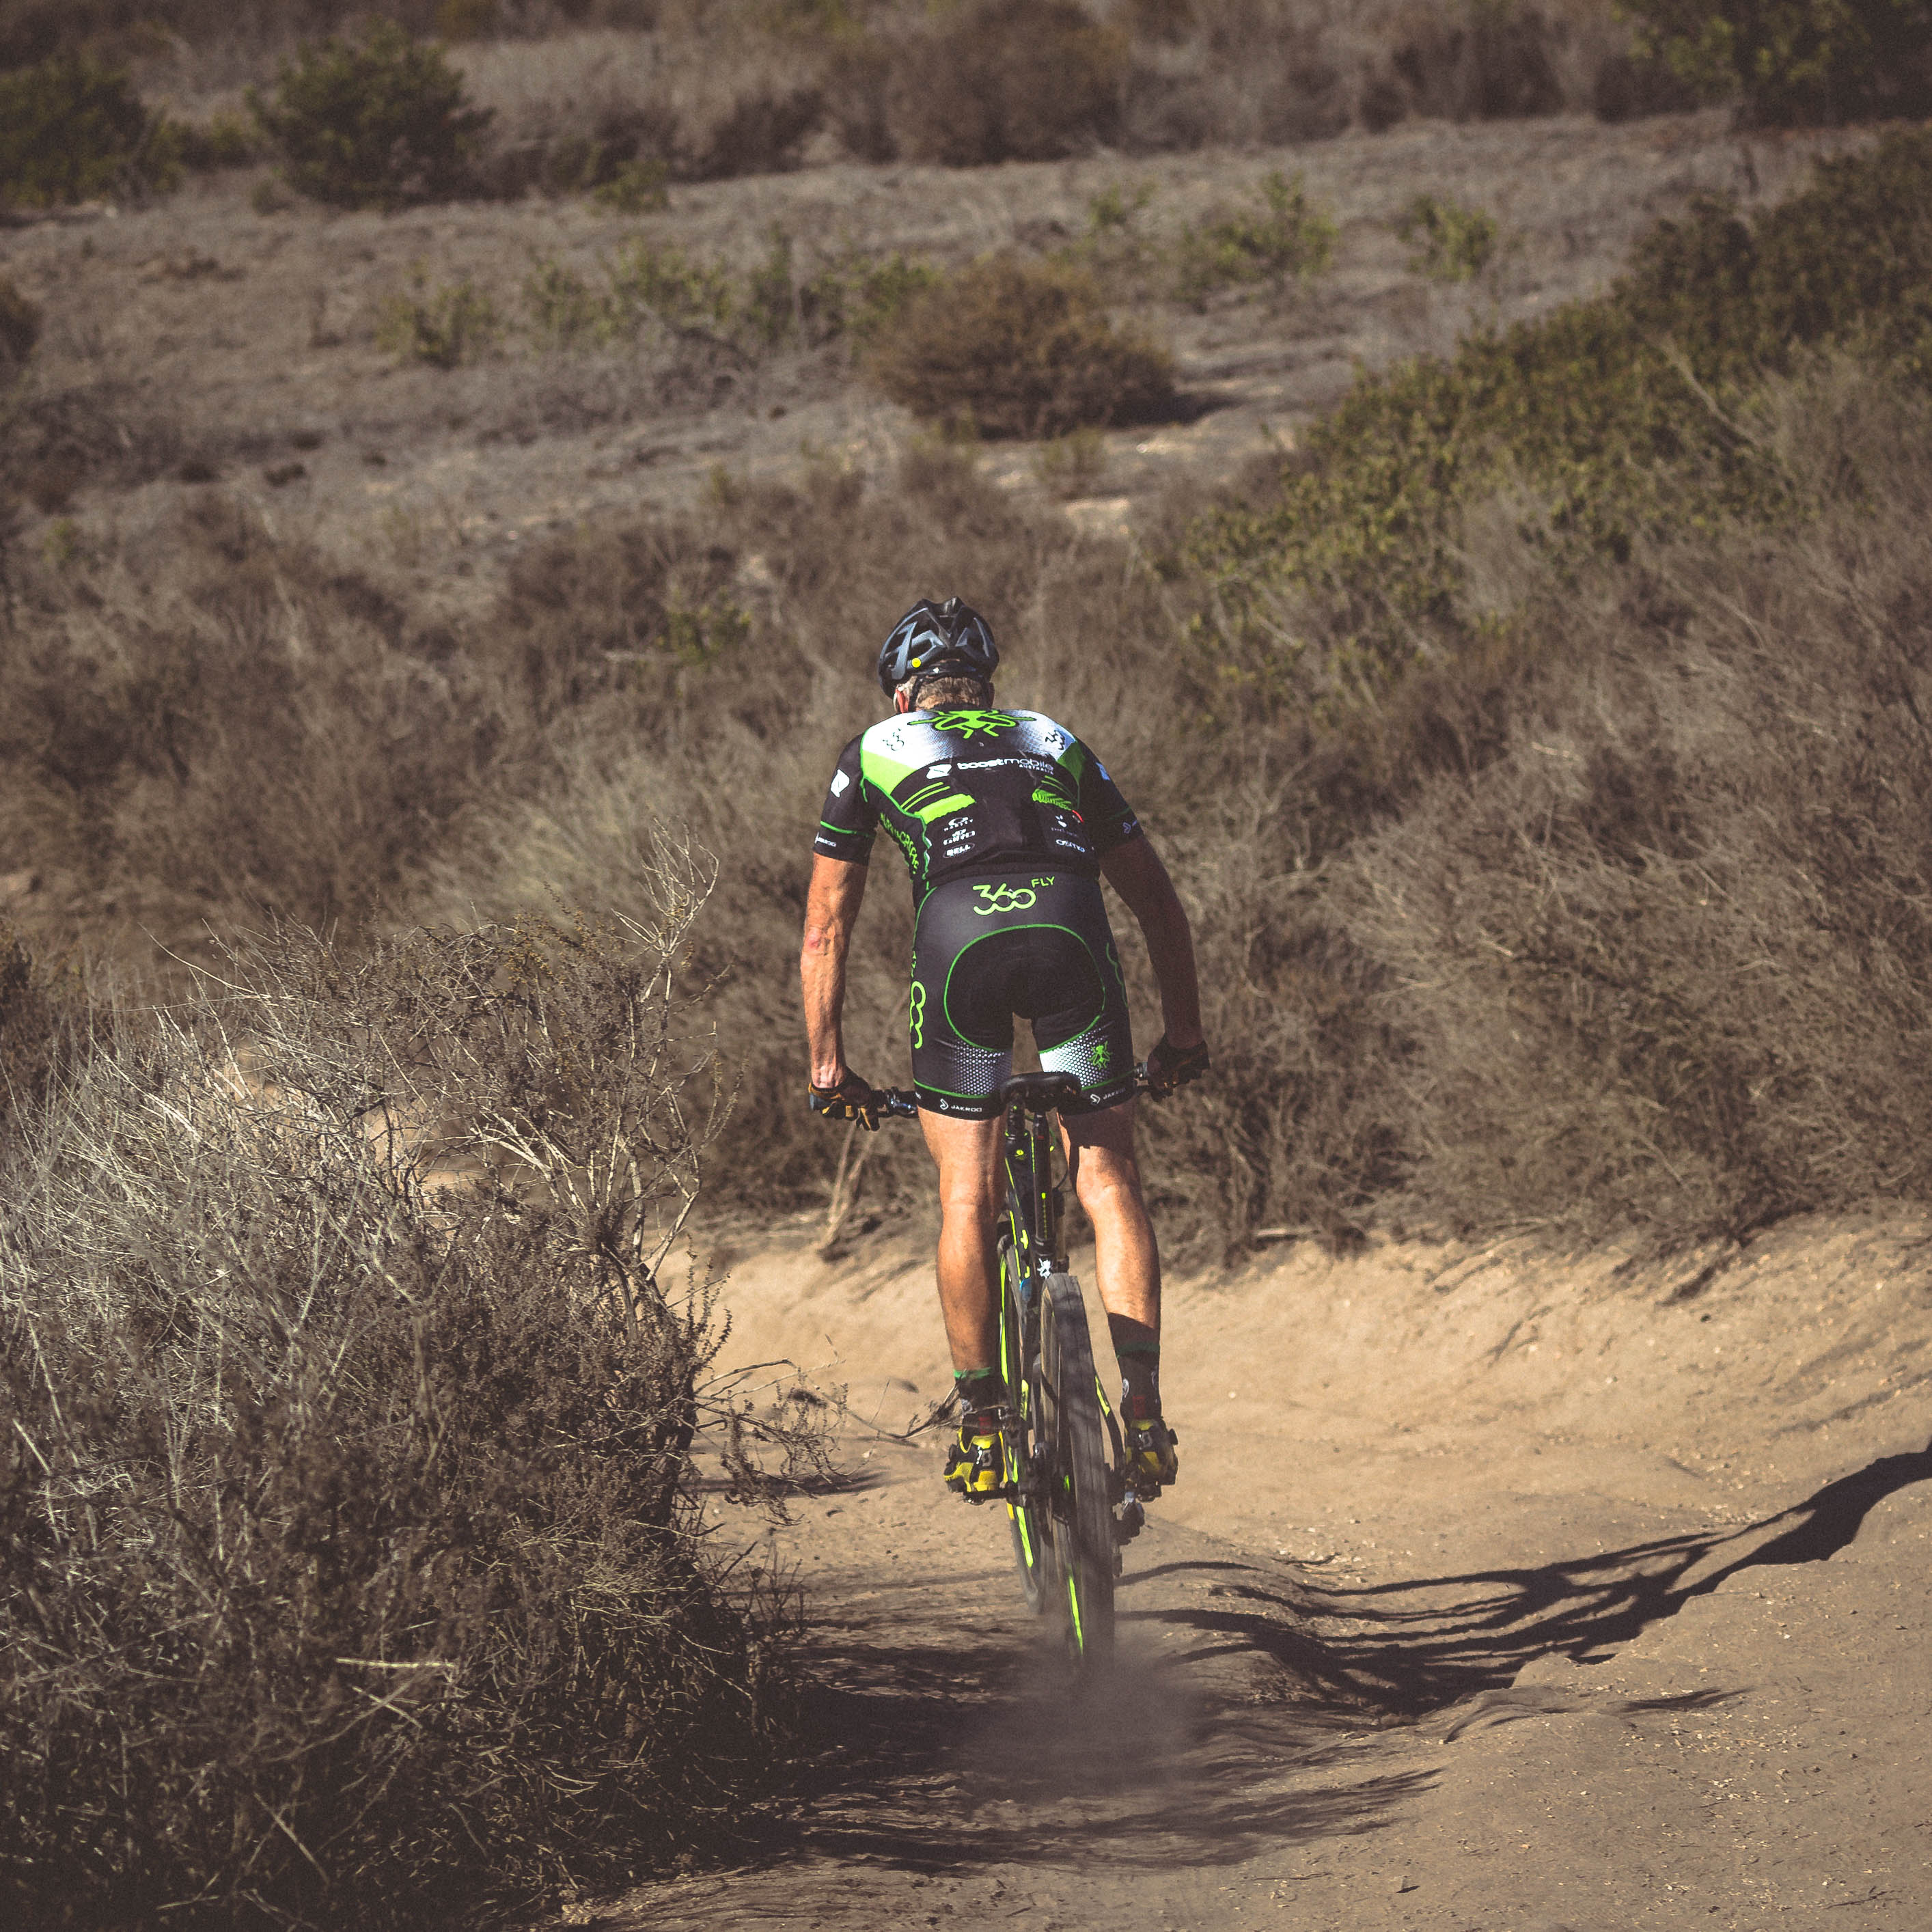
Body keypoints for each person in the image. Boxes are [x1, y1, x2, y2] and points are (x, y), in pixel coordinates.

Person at [799, 596, 1209, 1504]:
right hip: (1073, 944)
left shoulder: (873, 748)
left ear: (904, 698)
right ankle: (1140, 1406)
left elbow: (826, 930)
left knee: (965, 1196)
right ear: (986, 689)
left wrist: (829, 1071)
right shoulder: (1051, 736)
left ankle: (982, 1424)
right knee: (1108, 1183)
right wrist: (1183, 1037)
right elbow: (1157, 904)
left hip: (960, 956)